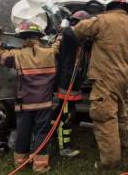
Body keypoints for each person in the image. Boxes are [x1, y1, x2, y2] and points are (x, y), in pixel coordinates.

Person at [66, 0, 128, 169]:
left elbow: (78, 30)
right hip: (122, 77)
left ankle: (110, 161)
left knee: (104, 117)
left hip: (105, 77)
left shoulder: (103, 20)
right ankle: (123, 143)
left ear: (110, 7)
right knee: (121, 112)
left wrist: (66, 26)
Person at [0, 22, 59, 173]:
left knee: (23, 132)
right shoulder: (50, 53)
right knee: (41, 132)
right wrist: (61, 34)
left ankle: (20, 162)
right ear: (39, 38)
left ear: (22, 38)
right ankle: (40, 166)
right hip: (44, 102)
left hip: (24, 103)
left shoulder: (16, 55)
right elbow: (58, 45)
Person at [55, 10, 91, 158]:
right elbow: (73, 34)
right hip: (67, 81)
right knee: (66, 115)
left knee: (64, 111)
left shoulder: (79, 38)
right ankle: (64, 147)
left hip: (73, 81)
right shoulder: (69, 33)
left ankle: (51, 131)